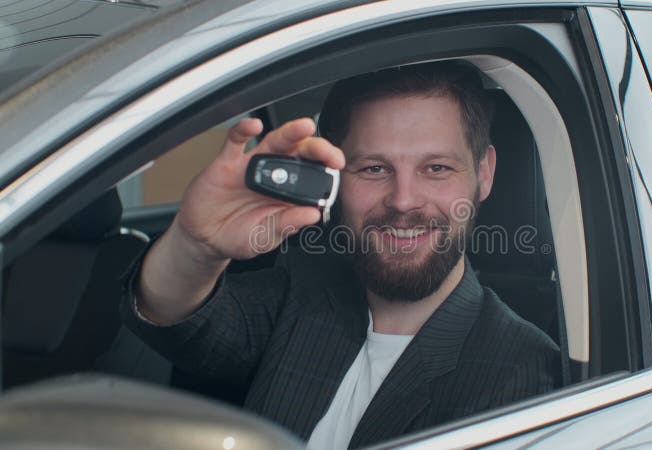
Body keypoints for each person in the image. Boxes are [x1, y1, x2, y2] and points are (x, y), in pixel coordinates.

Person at [122, 61, 560, 449]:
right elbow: (176, 319)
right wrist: (195, 244)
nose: (404, 200)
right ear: (333, 179)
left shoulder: (523, 370)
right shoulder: (301, 289)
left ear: (483, 174)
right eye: (373, 168)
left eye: (436, 168)